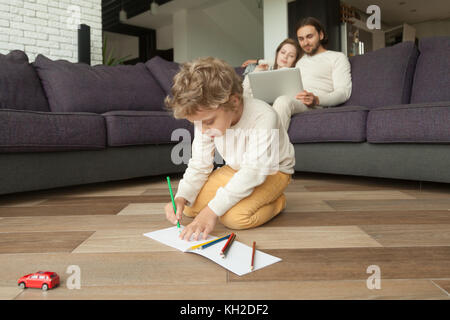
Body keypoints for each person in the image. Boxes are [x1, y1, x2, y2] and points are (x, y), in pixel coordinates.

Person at [164, 57, 295, 241]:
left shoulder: (264, 115)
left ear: (234, 102)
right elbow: (200, 163)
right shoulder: (204, 117)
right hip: (237, 169)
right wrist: (181, 197)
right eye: (197, 124)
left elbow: (254, 171)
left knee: (235, 218)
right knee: (189, 207)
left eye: (208, 122)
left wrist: (211, 211)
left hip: (272, 171)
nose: (202, 129)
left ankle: (277, 202)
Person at [243, 17, 352, 130]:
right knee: (257, 104)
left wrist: (317, 99)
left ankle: (269, 146)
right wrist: (257, 62)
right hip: (293, 99)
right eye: (301, 39)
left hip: (314, 104)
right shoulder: (300, 59)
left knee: (282, 101)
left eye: (310, 37)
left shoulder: (337, 57)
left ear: (321, 35)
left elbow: (343, 92)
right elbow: (280, 59)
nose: (305, 43)